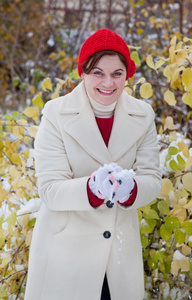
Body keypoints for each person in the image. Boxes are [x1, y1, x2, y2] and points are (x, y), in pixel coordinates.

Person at [24, 28, 162, 300]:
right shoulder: (56, 114)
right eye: (98, 72)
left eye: (116, 73)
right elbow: (50, 189)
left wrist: (131, 189)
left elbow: (152, 180)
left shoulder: (143, 114)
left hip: (118, 254)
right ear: (83, 73)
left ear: (127, 74)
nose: (108, 83)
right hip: (66, 252)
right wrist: (92, 188)